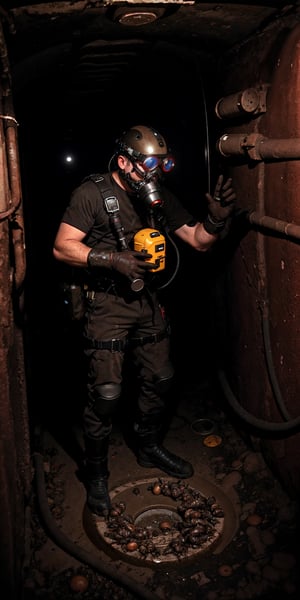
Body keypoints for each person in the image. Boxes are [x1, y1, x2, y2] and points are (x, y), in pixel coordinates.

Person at [53, 124, 236, 517]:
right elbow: (61, 247)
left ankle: (149, 445)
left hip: (147, 300)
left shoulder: (157, 198)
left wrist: (217, 220)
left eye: (160, 166)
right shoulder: (92, 194)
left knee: (162, 376)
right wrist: (110, 258)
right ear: (123, 162)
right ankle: (97, 473)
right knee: (106, 394)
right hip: (106, 304)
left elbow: (199, 241)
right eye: (146, 165)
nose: (152, 175)